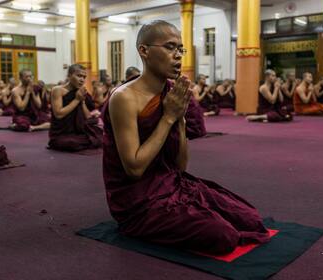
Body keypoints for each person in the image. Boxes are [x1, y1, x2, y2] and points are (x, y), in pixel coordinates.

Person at [103, 20, 269, 255]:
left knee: (249, 218)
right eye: (170, 47)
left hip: (171, 184)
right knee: (224, 236)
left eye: (181, 49)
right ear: (144, 50)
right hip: (137, 202)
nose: (178, 56)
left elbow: (180, 166)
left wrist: (179, 121)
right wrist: (168, 118)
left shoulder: (173, 93)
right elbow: (134, 169)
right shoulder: (125, 98)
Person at [48, 64, 102, 152]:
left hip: (77, 132)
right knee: (71, 143)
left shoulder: (81, 92)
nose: (82, 80)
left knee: (99, 135)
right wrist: (77, 99)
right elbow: (58, 114)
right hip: (61, 134)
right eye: (79, 76)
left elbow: (88, 116)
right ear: (69, 75)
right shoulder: (58, 90)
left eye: (84, 77)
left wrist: (82, 101)